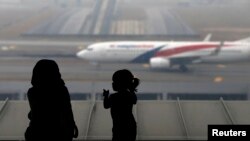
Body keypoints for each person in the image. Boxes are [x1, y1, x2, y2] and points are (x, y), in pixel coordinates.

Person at [25, 59, 78, 141]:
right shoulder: (62, 90)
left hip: (38, 134)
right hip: (60, 134)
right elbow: (67, 112)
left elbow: (37, 115)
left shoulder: (33, 92)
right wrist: (72, 126)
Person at [103, 69, 140, 141]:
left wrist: (105, 96)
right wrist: (132, 90)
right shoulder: (129, 95)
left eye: (114, 81)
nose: (112, 84)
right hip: (130, 125)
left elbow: (106, 106)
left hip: (118, 126)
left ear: (119, 83)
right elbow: (134, 101)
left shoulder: (114, 96)